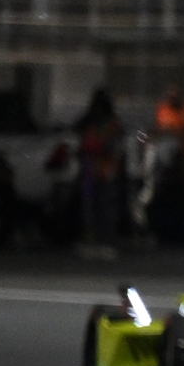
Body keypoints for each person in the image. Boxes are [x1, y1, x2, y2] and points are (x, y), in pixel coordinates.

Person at [74, 89, 123, 260]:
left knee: (103, 207)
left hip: (104, 170)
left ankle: (106, 241)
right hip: (91, 168)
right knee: (91, 207)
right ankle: (92, 240)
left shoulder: (111, 125)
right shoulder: (91, 122)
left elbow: (114, 147)